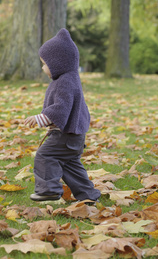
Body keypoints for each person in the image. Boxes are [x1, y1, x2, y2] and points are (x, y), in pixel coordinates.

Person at [24, 28, 101, 203]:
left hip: (64, 136)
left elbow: (61, 109)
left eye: (44, 63)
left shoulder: (65, 82)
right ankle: (89, 195)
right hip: (74, 137)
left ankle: (48, 190)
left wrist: (40, 118)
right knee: (71, 167)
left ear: (57, 62)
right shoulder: (69, 78)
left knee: (45, 156)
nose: (43, 67)